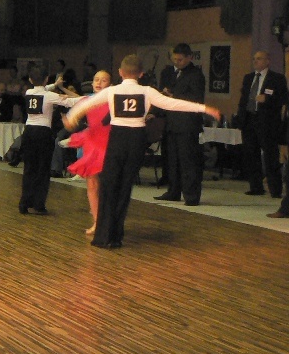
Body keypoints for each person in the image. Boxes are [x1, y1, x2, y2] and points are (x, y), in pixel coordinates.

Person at [64, 54, 220, 249]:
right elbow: (173, 104)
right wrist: (204, 108)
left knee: (110, 185)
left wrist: (71, 118)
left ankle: (103, 236)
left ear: (120, 73)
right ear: (141, 74)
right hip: (137, 140)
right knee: (125, 187)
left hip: (117, 138)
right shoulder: (147, 91)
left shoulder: (112, 91)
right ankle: (116, 236)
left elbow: (87, 104)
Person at [18, 65, 79, 215]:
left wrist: (54, 85)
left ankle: (24, 203)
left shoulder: (28, 92)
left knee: (29, 168)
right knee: (43, 169)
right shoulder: (50, 96)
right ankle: (38, 205)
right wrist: (88, 98)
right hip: (43, 133)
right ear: (46, 79)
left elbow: (42, 89)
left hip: (28, 132)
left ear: (30, 79)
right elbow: (70, 102)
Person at [153, 44, 207, 206]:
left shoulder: (196, 74)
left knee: (188, 161)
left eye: (180, 59)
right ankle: (173, 191)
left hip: (187, 124)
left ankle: (191, 196)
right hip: (171, 122)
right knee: (172, 160)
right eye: (175, 59)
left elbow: (196, 98)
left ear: (190, 57)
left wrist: (173, 96)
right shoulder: (169, 72)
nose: (177, 62)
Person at [65, 70, 113, 235]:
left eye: (103, 80)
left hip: (110, 144)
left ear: (110, 84)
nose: (99, 83)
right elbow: (72, 118)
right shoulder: (87, 100)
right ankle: (97, 222)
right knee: (92, 183)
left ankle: (108, 220)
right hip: (93, 144)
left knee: (108, 184)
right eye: (96, 80)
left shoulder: (114, 99)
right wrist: (70, 122)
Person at [237, 51, 287, 198]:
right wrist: (240, 118)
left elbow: (284, 99)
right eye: (254, 59)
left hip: (267, 123)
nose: (255, 61)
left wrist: (267, 99)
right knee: (251, 155)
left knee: (270, 156)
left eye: (259, 59)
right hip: (249, 121)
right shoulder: (248, 78)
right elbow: (243, 100)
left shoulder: (277, 78)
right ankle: (256, 187)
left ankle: (275, 189)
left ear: (267, 61)